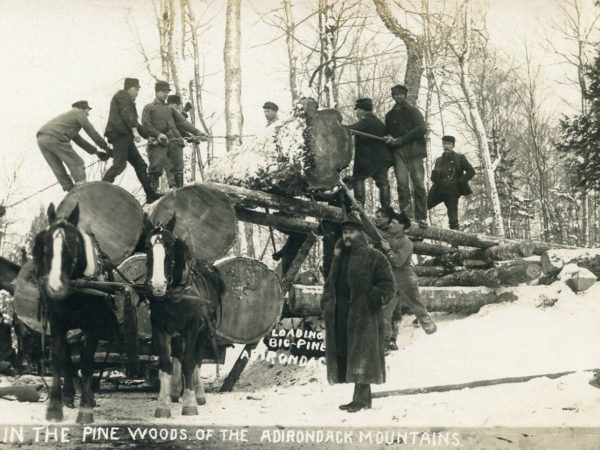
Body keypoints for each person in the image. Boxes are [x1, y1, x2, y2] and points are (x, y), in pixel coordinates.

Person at [320, 213, 396, 413]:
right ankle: (360, 398)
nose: (347, 236)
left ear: (361, 234)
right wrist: (327, 303)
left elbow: (388, 285)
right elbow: (330, 285)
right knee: (350, 354)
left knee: (364, 355)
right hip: (342, 313)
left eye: (351, 232)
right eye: (345, 232)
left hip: (364, 314)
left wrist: (374, 298)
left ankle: (361, 400)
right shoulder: (339, 259)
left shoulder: (374, 257)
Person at [374, 209, 437, 350]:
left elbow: (398, 261)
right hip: (392, 281)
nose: (390, 225)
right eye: (390, 223)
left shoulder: (406, 242)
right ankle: (383, 346)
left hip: (406, 280)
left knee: (418, 308)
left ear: (402, 226)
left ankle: (434, 336)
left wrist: (388, 249)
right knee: (385, 313)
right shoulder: (390, 239)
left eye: (394, 223)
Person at [103, 78, 162, 204]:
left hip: (125, 136)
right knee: (119, 165)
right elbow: (127, 115)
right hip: (119, 135)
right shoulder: (122, 96)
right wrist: (135, 132)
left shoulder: (128, 101)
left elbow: (135, 122)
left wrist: (149, 136)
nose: (137, 92)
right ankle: (101, 188)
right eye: (136, 89)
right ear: (128, 88)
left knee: (140, 165)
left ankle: (150, 195)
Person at [37, 101, 111, 192]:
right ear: (83, 109)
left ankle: (70, 189)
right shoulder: (78, 113)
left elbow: (79, 140)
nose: (88, 115)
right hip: (55, 137)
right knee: (77, 163)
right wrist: (106, 147)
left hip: (41, 139)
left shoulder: (67, 121)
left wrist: (96, 152)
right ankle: (81, 188)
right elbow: (91, 131)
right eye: (88, 111)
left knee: (57, 167)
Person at [384, 84, 428, 227]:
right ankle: (405, 216)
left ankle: (421, 217)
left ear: (405, 95)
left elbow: (422, 128)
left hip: (415, 152)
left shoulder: (413, 111)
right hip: (399, 153)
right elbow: (387, 132)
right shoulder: (389, 115)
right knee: (402, 185)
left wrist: (402, 139)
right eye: (395, 95)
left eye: (400, 94)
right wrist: (389, 138)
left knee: (419, 185)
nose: (398, 97)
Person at [345, 98, 393, 215]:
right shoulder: (378, 122)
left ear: (362, 110)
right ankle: (386, 207)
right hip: (382, 159)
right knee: (383, 183)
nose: (356, 113)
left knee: (358, 178)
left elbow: (348, 129)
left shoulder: (366, 121)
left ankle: (359, 203)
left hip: (367, 159)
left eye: (358, 110)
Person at [142, 81, 186, 190]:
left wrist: (199, 134)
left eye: (167, 92)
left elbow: (183, 122)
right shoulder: (149, 107)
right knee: (155, 168)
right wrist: (157, 134)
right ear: (157, 92)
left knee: (178, 168)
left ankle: (180, 192)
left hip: (174, 142)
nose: (166, 94)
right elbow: (146, 124)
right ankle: (153, 193)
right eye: (164, 92)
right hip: (158, 142)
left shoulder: (169, 108)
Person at [427, 135, 475, 230]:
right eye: (444, 144)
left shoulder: (460, 158)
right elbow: (434, 177)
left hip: (452, 191)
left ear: (453, 145)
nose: (446, 146)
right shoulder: (439, 160)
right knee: (422, 206)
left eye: (448, 144)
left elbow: (471, 171)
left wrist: (460, 181)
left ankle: (454, 243)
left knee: (453, 218)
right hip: (438, 190)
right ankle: (417, 232)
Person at [165, 94, 210, 188]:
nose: (178, 108)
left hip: (167, 142)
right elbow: (181, 127)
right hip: (172, 143)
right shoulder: (170, 111)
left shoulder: (164, 111)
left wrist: (192, 138)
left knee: (171, 167)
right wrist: (195, 137)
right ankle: (178, 189)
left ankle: (175, 187)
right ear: (174, 104)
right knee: (177, 168)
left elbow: (180, 127)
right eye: (177, 105)